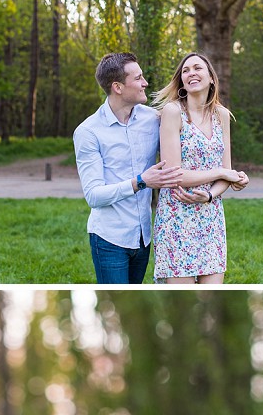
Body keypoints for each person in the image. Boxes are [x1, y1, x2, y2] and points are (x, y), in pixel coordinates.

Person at [73, 52, 185, 284]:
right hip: (109, 239)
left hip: (144, 237)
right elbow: (94, 195)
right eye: (138, 78)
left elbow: (191, 132)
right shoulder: (88, 132)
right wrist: (141, 182)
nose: (145, 83)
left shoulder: (153, 119)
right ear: (118, 87)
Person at [150, 51, 249, 284]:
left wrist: (209, 194)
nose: (191, 73)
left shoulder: (221, 115)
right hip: (177, 215)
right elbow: (174, 174)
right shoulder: (173, 112)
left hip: (210, 216)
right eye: (185, 70)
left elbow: (227, 173)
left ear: (211, 78)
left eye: (197, 68)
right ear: (181, 81)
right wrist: (222, 173)